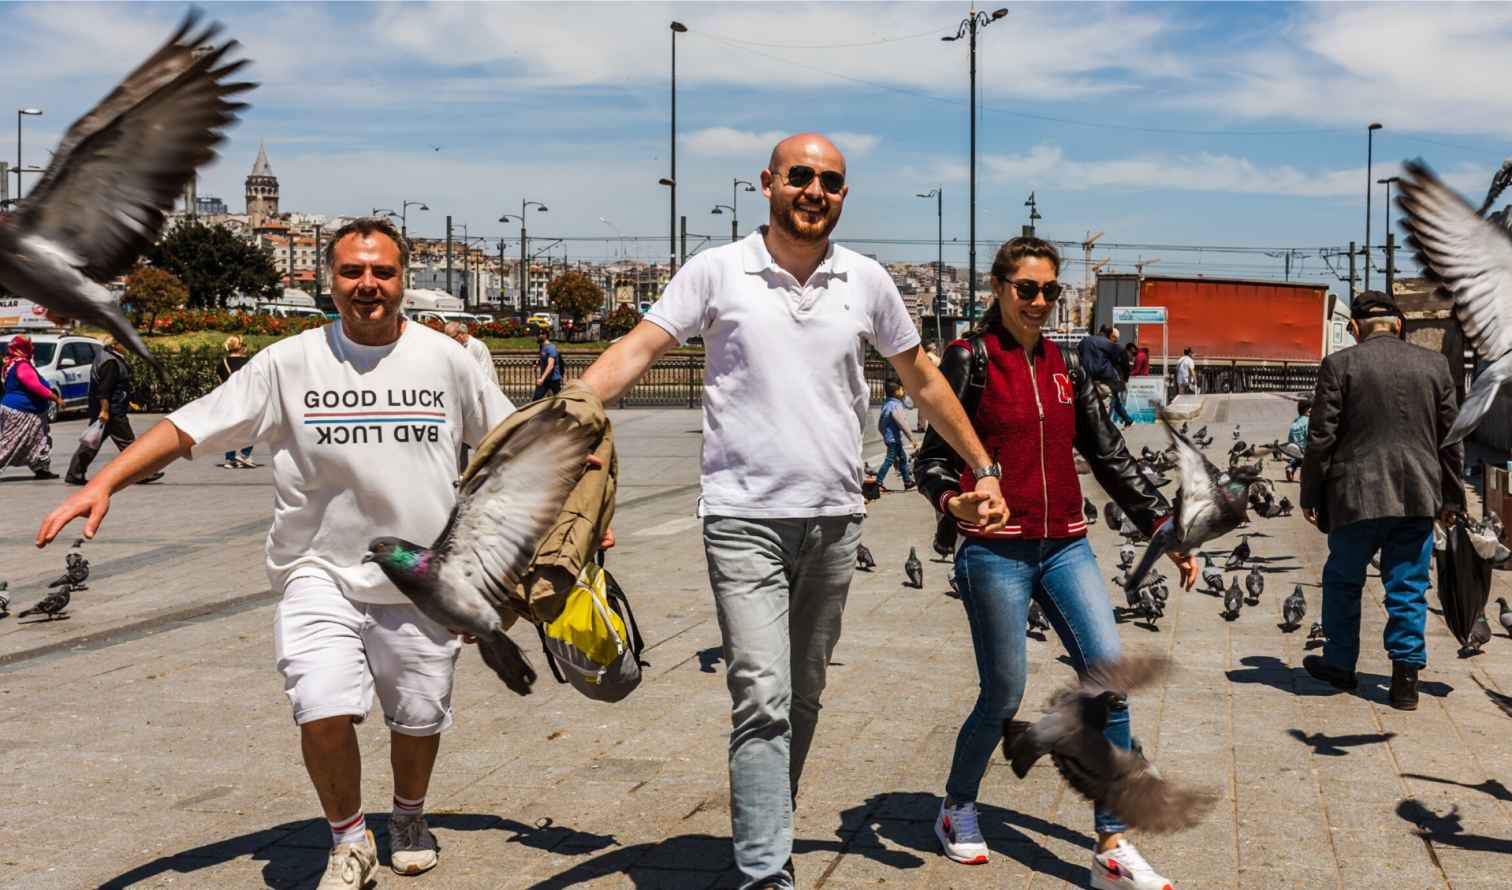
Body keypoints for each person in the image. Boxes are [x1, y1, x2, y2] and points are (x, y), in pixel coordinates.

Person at [579, 133, 1007, 890]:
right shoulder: (716, 270)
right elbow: (639, 348)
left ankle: (771, 807)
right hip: (742, 518)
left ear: (843, 196)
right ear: (769, 182)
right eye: (801, 176)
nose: (815, 191)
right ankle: (764, 872)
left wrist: (984, 466)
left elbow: (924, 381)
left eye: (831, 182)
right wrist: (566, 414)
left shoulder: (867, 280)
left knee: (802, 692)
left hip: (836, 520)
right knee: (764, 695)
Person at [37, 218, 516, 889]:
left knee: (417, 718)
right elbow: (188, 425)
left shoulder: (447, 360)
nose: (367, 285)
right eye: (352, 272)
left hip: (421, 579)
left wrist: (580, 512)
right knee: (319, 704)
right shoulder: (290, 362)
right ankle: (349, 840)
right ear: (331, 279)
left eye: (382, 272)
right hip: (318, 569)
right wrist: (104, 480)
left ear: (404, 279)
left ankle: (408, 816)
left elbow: (512, 445)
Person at [916, 236, 1196, 890]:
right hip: (994, 551)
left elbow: (1111, 456)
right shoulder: (969, 360)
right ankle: (956, 806)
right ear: (999, 290)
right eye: (1026, 290)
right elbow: (929, 460)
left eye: (1050, 291)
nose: (1039, 302)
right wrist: (953, 500)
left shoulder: (1066, 365)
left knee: (1109, 680)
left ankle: (1111, 846)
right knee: (1003, 693)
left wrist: (1165, 528)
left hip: (1066, 544)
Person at [1301, 291, 1463, 711]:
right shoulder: (1435, 366)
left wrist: (1311, 493)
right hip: (1418, 496)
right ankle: (1406, 680)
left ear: (1354, 328)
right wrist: (1453, 498)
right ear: (1398, 325)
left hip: (1355, 497)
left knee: (1343, 580)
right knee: (1408, 585)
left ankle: (1339, 664)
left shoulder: (1340, 365)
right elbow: (1451, 440)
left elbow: (1321, 437)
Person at [65, 335, 163, 486]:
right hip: (112, 411)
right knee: (129, 443)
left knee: (92, 443)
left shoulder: (107, 357)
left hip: (109, 409)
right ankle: (143, 473)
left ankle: (74, 473)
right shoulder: (110, 362)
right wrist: (105, 411)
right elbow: (104, 390)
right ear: (116, 344)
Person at [0, 335, 63, 479]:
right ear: (22, 348)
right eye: (30, 345)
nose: (32, 348)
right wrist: (55, 398)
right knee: (9, 443)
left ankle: (41, 468)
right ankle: (41, 468)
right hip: (22, 411)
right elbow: (34, 385)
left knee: (42, 440)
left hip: (28, 411)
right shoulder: (22, 365)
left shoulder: (12, 363)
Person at [217, 335, 259, 469]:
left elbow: (220, 383)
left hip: (228, 399)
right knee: (251, 427)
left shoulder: (222, 363)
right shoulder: (250, 362)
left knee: (231, 429)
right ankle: (244, 455)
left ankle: (229, 459)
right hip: (247, 398)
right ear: (241, 347)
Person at [875, 380, 915, 491]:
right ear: (896, 392)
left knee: (902, 458)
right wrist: (911, 437)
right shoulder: (896, 405)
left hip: (890, 438)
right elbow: (902, 423)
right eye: (902, 389)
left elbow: (880, 424)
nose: (904, 391)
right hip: (894, 439)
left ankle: (907, 481)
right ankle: (878, 482)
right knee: (889, 460)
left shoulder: (887, 404)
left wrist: (884, 434)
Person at [916, 340, 942, 432]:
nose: (935, 345)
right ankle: (930, 426)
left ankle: (922, 426)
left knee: (924, 405)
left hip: (929, 383)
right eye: (933, 344)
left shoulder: (930, 357)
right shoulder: (934, 357)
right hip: (934, 382)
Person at [534, 329, 562, 400]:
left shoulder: (551, 348)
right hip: (545, 380)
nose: (536, 337)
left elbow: (550, 365)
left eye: (538, 335)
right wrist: (537, 363)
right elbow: (544, 359)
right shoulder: (542, 347)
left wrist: (542, 379)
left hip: (554, 379)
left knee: (559, 401)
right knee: (536, 400)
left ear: (545, 336)